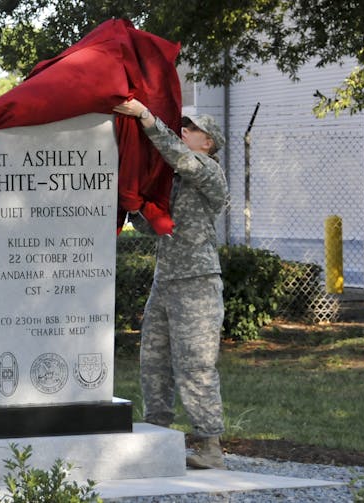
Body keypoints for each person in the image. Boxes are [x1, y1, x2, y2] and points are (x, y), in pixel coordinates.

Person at [113, 99, 229, 469]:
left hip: (197, 284)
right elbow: (154, 226)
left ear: (208, 142)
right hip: (165, 281)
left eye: (192, 128)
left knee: (195, 366)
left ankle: (210, 448)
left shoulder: (208, 172)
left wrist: (147, 118)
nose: (185, 130)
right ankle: (156, 434)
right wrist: (137, 205)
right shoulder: (175, 178)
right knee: (154, 362)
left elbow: (179, 157)